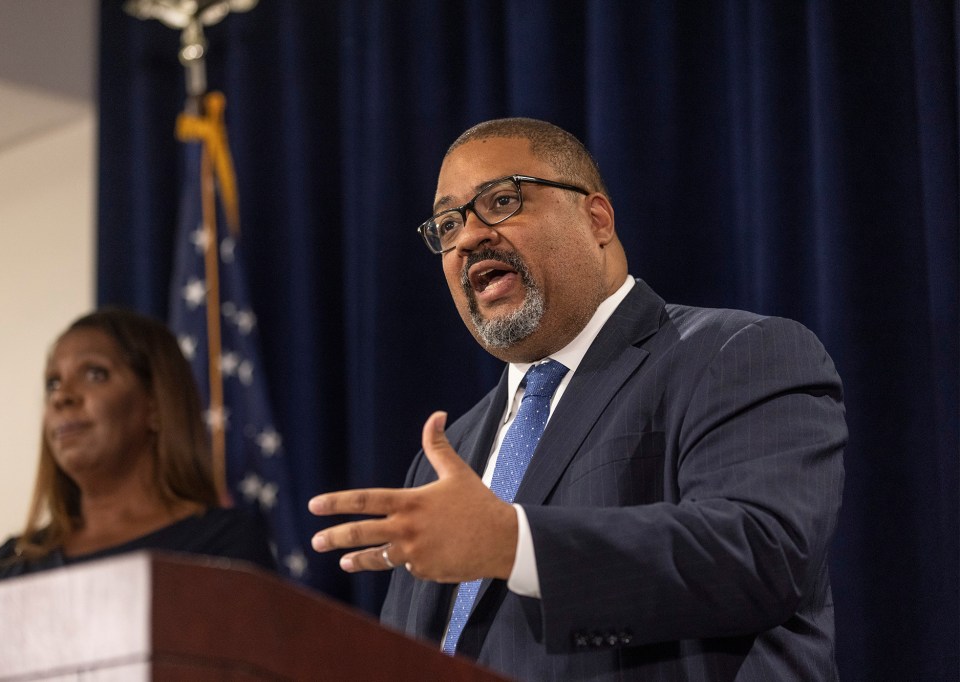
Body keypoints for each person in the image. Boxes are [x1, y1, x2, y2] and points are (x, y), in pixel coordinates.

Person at [309, 118, 847, 680]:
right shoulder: (451, 454)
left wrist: (510, 543)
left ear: (597, 219)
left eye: (501, 200)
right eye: (447, 225)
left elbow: (760, 556)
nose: (468, 238)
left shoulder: (738, 355)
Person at [0, 308, 276, 586]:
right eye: (52, 383)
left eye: (94, 374)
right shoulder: (7, 564)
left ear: (155, 405)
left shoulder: (221, 545)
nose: (62, 397)